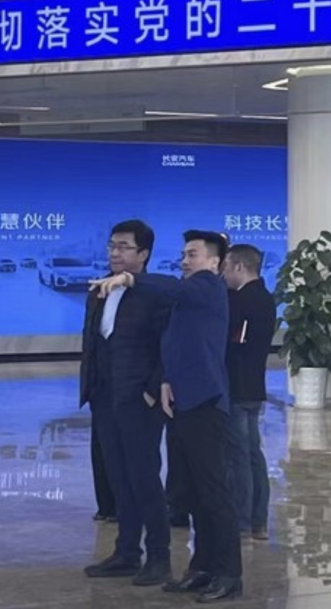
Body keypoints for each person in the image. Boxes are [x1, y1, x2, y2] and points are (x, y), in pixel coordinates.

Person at [91, 230, 242, 603]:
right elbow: (176, 345)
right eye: (184, 254)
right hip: (182, 402)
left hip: (206, 404)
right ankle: (202, 568)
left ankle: (229, 574)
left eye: (193, 254)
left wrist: (130, 279)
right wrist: (165, 381)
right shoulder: (188, 296)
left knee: (213, 493)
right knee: (192, 493)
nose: (185, 261)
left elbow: (174, 289)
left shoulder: (208, 287)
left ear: (215, 262)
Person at [80, 220, 170, 587]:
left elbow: (167, 346)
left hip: (139, 401)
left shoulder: (155, 293)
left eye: (123, 247)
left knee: (143, 478)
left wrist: (151, 390)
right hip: (105, 397)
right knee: (118, 477)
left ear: (143, 254)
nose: (115, 253)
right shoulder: (99, 289)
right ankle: (126, 552)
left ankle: (159, 557)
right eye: (112, 246)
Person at [221, 244, 277, 541]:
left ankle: (241, 521)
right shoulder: (266, 297)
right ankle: (258, 521)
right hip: (254, 385)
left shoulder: (241, 300)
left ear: (240, 267)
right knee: (253, 453)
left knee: (238, 456)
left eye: (226, 268)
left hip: (236, 386)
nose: (224, 274)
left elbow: (231, 342)